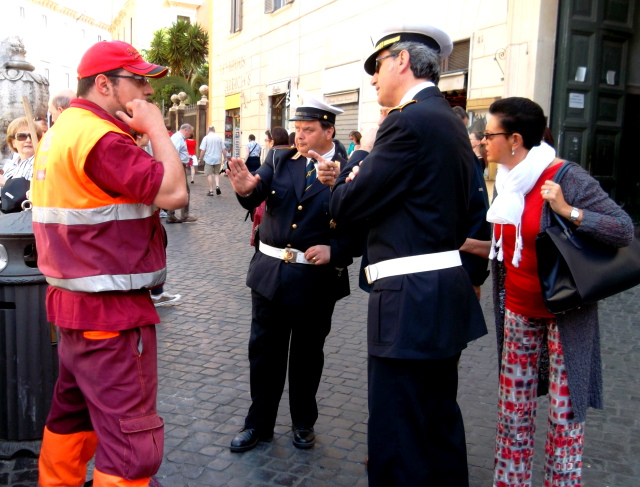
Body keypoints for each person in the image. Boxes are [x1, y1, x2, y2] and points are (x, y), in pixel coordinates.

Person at [326, 23, 488, 486]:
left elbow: (348, 205)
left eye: (377, 67)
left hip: (410, 302)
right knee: (437, 425)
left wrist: (356, 162)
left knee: (399, 431)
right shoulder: (450, 121)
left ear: (401, 61)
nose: (373, 79)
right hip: (438, 294)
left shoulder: (407, 120)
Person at [31, 39, 187, 487]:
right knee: (128, 445)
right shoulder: (102, 139)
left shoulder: (64, 130)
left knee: (71, 422)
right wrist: (156, 129)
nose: (147, 91)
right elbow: (175, 193)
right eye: (137, 80)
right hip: (112, 315)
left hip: (73, 311)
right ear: (104, 84)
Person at [459, 97, 634, 487]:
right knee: (512, 414)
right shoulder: (506, 183)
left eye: (489, 134)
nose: (483, 141)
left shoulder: (564, 177)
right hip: (519, 312)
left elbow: (622, 229)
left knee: (563, 418)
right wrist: (462, 244)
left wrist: (568, 209)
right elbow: (510, 250)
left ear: (515, 139)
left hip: (565, 315)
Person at [226, 93, 354, 453]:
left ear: (329, 132)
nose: (299, 136)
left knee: (307, 356)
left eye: (308, 130)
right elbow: (256, 192)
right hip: (269, 276)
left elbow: (361, 224)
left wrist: (338, 251)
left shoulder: (350, 170)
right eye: (297, 129)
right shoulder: (280, 159)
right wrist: (244, 189)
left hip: (315, 280)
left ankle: (303, 422)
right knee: (264, 354)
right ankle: (259, 425)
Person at [0, 116, 42, 213]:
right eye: (22, 136)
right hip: (9, 219)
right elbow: (3, 199)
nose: (28, 140)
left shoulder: (42, 163)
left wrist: (7, 183)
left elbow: (38, 192)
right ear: (13, 142)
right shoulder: (10, 165)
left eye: (32, 136)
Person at [167, 123, 198, 223]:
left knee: (177, 190)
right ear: (186, 130)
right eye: (190, 132)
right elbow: (173, 152)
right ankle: (182, 215)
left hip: (179, 166)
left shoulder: (178, 137)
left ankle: (172, 215)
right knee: (184, 190)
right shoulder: (178, 138)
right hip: (178, 167)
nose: (191, 134)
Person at [198, 125, 227, 196]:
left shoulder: (206, 138)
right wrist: (225, 158)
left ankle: (211, 190)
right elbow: (223, 149)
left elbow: (203, 150)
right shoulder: (219, 138)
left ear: (208, 130)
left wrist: (200, 158)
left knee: (209, 174)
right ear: (214, 130)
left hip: (208, 159)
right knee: (217, 173)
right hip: (218, 158)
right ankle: (217, 186)